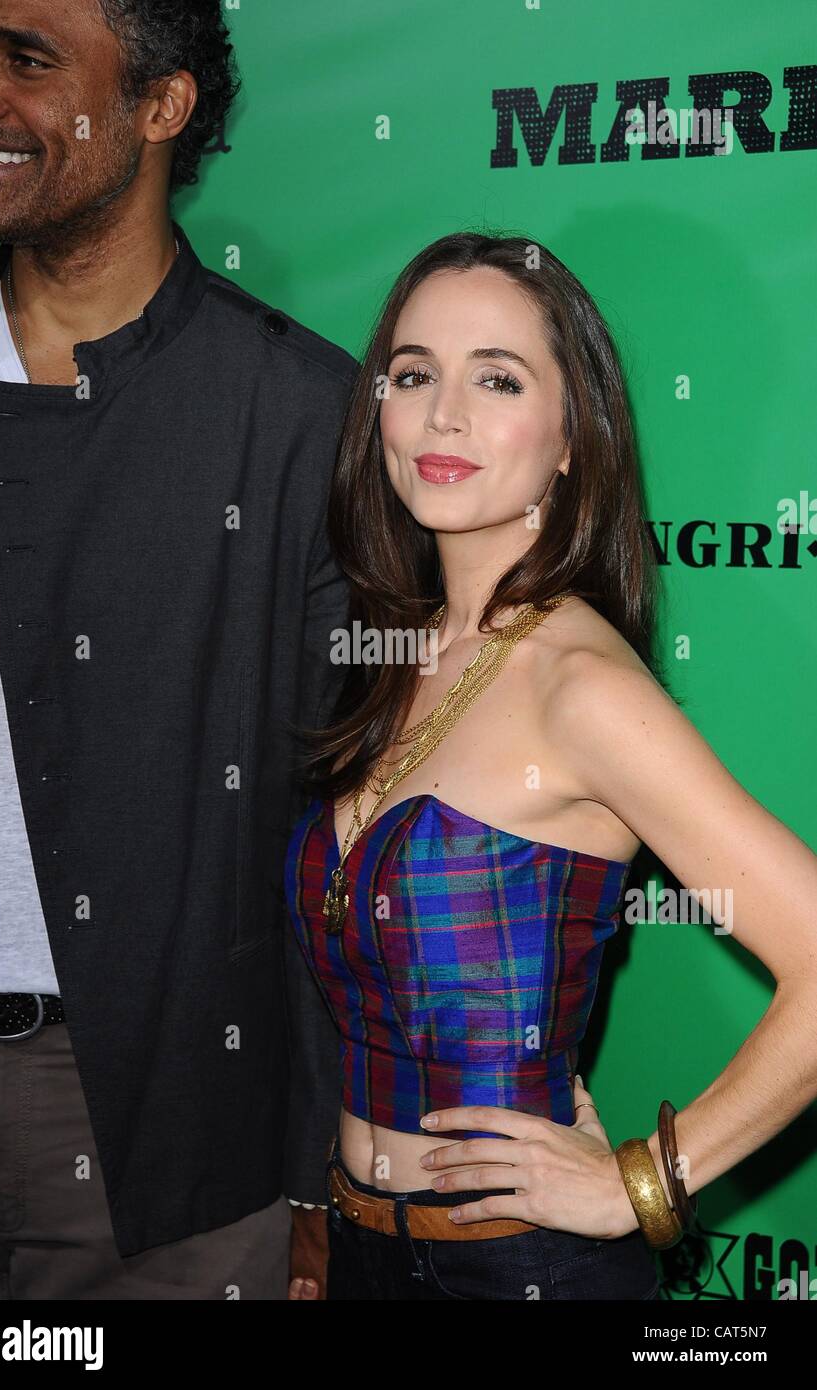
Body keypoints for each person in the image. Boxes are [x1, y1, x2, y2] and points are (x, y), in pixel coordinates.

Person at [283, 230, 817, 1300]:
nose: (444, 414)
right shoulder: (404, 650)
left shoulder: (580, 684)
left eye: (497, 377)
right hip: (360, 1252)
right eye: (413, 372)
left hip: (518, 1271)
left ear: (572, 437)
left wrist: (644, 1186)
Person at [0, 0, 353, 1298]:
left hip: (170, 1137)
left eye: (25, 60)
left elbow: (333, 828)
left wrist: (313, 1174)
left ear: (161, 108)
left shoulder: (298, 416)